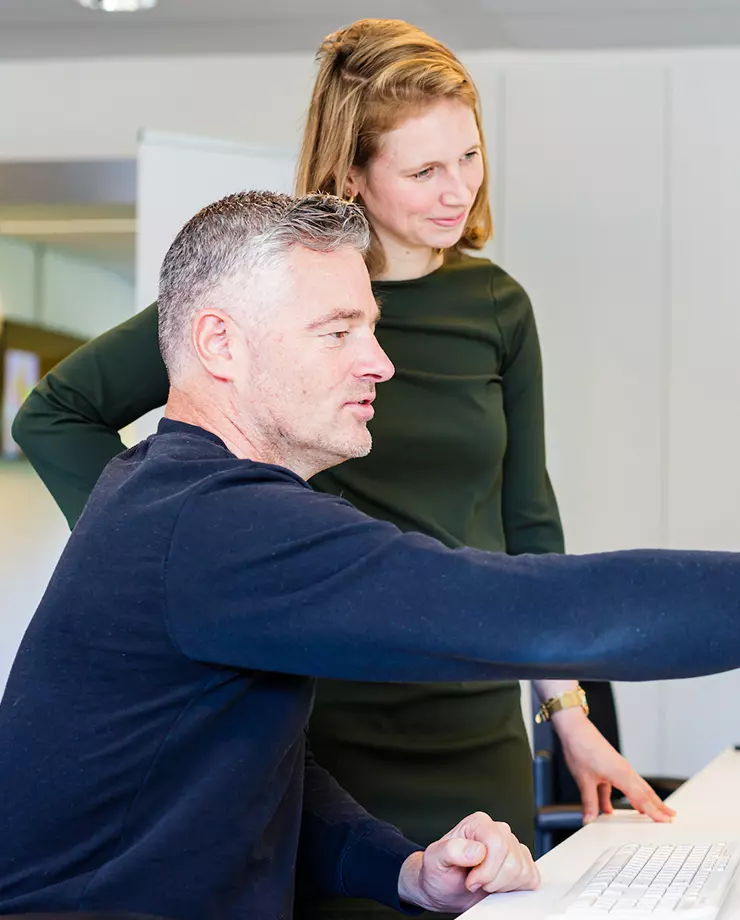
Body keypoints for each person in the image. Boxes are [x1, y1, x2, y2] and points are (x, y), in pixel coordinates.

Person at [11, 18, 668, 917]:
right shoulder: (272, 293)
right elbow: (56, 414)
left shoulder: (496, 307)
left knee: (469, 886)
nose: (458, 190)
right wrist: (165, 550)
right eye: (424, 169)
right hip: (330, 720)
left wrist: (569, 716)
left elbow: (528, 528)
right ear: (353, 174)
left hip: (470, 708)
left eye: (470, 157)